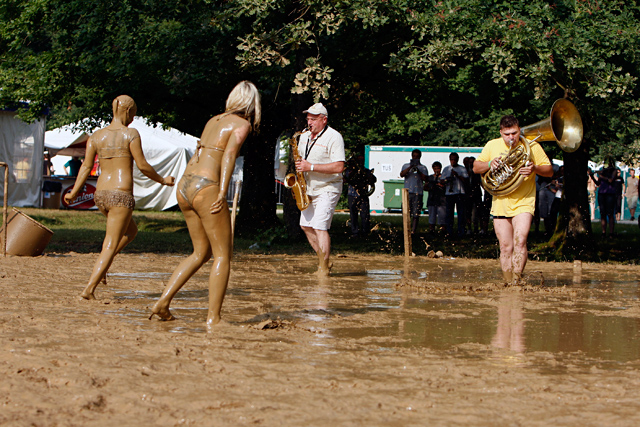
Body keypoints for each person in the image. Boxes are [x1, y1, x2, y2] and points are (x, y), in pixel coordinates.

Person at [149, 81, 260, 327]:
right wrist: (223, 191)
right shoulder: (242, 125)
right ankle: (214, 318)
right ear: (252, 104)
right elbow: (229, 154)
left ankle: (163, 302)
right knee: (223, 255)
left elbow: (201, 150)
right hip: (207, 186)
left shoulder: (213, 120)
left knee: (200, 253)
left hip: (185, 185)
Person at [65, 95, 175, 300]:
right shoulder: (131, 134)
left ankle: (104, 267)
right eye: (133, 113)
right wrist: (163, 180)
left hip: (101, 195)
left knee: (130, 231)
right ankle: (89, 289)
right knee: (110, 242)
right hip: (120, 195)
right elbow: (142, 165)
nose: (133, 117)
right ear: (127, 111)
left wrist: (74, 192)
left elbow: (86, 167)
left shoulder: (96, 136)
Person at [473, 114, 553, 285]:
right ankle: (507, 281)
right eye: (507, 134)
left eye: (515, 133)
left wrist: (534, 168)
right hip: (501, 202)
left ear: (519, 130)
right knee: (505, 247)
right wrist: (489, 164)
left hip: (524, 201)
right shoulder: (492, 145)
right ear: (501, 132)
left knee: (520, 240)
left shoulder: (531, 146)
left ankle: (517, 281)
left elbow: (549, 171)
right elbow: (475, 168)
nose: (511, 138)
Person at [292, 103, 345, 275]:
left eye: (313, 119)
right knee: (305, 226)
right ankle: (325, 261)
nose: (309, 122)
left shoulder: (334, 137)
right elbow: (302, 161)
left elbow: (339, 167)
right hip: (309, 188)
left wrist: (311, 167)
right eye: (308, 119)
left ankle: (323, 268)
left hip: (328, 187)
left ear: (324, 120)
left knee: (320, 226)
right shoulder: (304, 136)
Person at [344, 155, 376, 237]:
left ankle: (365, 232)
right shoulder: (349, 170)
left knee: (365, 215)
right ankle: (355, 232)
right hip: (352, 194)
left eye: (362, 161)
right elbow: (346, 178)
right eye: (359, 161)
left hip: (363, 195)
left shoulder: (366, 170)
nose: (360, 163)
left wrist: (368, 177)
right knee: (353, 214)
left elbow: (374, 179)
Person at [441, 152, 469, 236]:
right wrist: (447, 179)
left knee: (461, 213)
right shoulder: (446, 169)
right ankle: (449, 231)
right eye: (451, 159)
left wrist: (457, 175)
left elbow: (466, 181)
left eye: (454, 159)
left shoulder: (462, 169)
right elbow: (442, 181)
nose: (453, 161)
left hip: (460, 193)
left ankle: (461, 231)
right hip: (450, 193)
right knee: (449, 213)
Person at [590, 163, 617, 238]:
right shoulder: (602, 171)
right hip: (602, 193)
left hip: (610, 193)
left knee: (610, 213)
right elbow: (598, 183)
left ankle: (611, 233)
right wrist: (592, 176)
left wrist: (601, 176)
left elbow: (610, 180)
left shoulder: (613, 171)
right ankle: (603, 232)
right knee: (603, 213)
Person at [424, 161, 446, 233]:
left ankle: (442, 231)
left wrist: (441, 185)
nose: (436, 170)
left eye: (438, 168)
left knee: (442, 217)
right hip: (432, 199)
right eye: (435, 168)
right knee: (432, 217)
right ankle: (431, 230)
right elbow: (425, 187)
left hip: (441, 200)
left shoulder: (443, 177)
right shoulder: (430, 178)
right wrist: (430, 187)